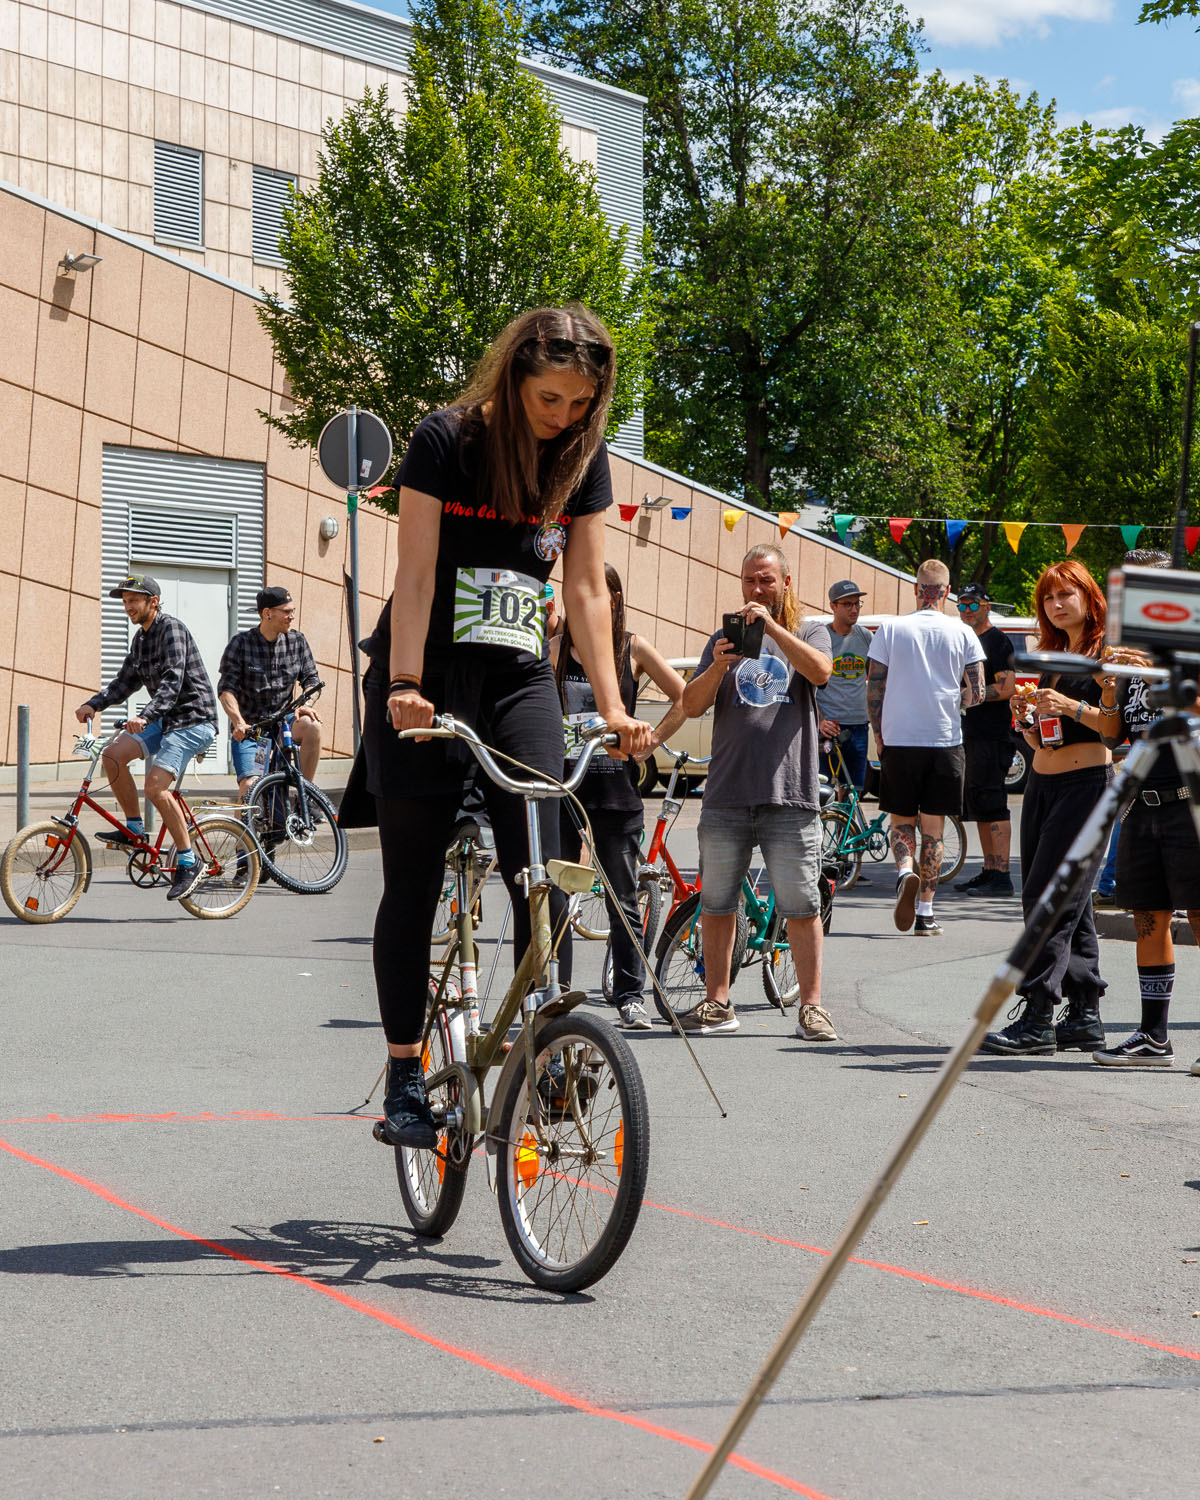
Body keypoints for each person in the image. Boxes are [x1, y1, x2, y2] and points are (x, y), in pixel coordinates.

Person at [359, 305, 653, 1148]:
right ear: (517, 372)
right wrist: (406, 683)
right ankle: (407, 1076)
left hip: (522, 672)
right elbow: (415, 574)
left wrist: (614, 704)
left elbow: (591, 589)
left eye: (578, 403)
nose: (562, 416)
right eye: (550, 398)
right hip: (429, 670)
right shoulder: (446, 439)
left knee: (546, 864)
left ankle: (544, 1044)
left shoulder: (580, 458)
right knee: (410, 879)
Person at [679, 543, 835, 1038]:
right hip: (727, 792)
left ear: (785, 583)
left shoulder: (809, 631)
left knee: (801, 903)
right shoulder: (720, 639)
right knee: (718, 902)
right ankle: (717, 1002)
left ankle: (811, 1007)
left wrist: (771, 629)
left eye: (766, 579)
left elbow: (821, 672)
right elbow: (690, 704)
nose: (756, 589)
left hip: (789, 793)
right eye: (749, 580)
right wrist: (719, 665)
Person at [980, 559, 1122, 1056]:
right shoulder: (1057, 654)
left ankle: (1037, 1014)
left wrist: (1068, 707)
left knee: (1049, 896)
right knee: (1073, 902)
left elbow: (1114, 729)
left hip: (1087, 785)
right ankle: (1084, 1013)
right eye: (1048, 598)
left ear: (1089, 597)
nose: (1056, 605)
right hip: (1043, 784)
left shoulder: (1107, 654)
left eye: (1066, 595)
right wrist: (1027, 720)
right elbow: (1048, 732)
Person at [553, 564, 687, 1031]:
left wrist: (650, 742)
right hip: (564, 790)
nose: (590, 602)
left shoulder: (631, 647)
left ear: (614, 598)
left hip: (616, 790)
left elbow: (683, 696)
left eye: (603, 593)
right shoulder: (555, 651)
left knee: (623, 900)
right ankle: (554, 991)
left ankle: (630, 996)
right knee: (555, 897)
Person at [1093, 549, 1200, 1072]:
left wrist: (1159, 669)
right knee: (1147, 917)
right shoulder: (1127, 655)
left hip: (1190, 799)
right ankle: (1154, 1036)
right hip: (1141, 801)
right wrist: (1111, 692)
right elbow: (1116, 735)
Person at [74, 572, 219, 903]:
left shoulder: (172, 630)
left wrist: (147, 715)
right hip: (165, 719)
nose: (128, 607)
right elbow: (124, 682)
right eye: (125, 602)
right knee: (111, 756)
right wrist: (93, 704)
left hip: (194, 719)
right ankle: (136, 829)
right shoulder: (140, 641)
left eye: (134, 601)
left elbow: (173, 680)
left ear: (153, 602)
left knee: (155, 787)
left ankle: (188, 860)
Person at [866, 559, 985, 937]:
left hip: (900, 739)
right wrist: (954, 702)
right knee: (933, 831)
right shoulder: (963, 632)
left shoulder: (891, 628)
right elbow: (979, 693)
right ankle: (927, 914)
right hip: (945, 740)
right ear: (947, 592)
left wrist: (879, 733)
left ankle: (904, 872)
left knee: (901, 822)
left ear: (917, 589)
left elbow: (873, 689)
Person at [217, 586, 322, 799]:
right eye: (286, 611)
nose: (291, 616)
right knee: (251, 786)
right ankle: (243, 832)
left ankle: (305, 796)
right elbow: (226, 690)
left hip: (284, 725)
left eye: (292, 611)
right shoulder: (241, 644)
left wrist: (306, 704)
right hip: (253, 731)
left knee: (313, 727)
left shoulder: (297, 641)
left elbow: (312, 679)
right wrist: (238, 722)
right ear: (267, 613)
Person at [953, 583, 1017, 897]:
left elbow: (1006, 689)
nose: (966, 610)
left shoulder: (998, 641)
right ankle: (990, 869)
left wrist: (967, 696)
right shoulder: (965, 640)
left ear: (986, 606)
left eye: (972, 604)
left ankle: (1002, 876)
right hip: (970, 736)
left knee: (993, 804)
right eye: (961, 605)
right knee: (978, 805)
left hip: (993, 736)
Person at [816, 579, 872, 792]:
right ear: (833, 606)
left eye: (857, 603)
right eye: (847, 604)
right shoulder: (821, 637)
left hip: (859, 725)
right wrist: (820, 721)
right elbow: (807, 683)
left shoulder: (866, 637)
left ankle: (845, 827)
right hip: (830, 727)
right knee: (824, 790)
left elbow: (878, 680)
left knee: (854, 790)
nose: (854, 609)